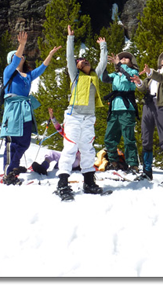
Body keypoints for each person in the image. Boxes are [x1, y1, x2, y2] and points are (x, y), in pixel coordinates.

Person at [0, 30, 61, 185]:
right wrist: (22, 45)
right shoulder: (9, 72)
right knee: (13, 141)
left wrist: (50, 55)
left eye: (22, 55)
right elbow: (14, 62)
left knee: (25, 142)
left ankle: (13, 166)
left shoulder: (27, 75)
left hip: (25, 110)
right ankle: (10, 170)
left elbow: (41, 69)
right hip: (13, 110)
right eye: (17, 56)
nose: (21, 57)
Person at [54, 25, 108, 201]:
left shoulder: (94, 75)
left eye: (86, 60)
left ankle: (89, 183)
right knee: (69, 148)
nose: (84, 61)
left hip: (89, 118)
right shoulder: (75, 76)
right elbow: (69, 57)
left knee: (88, 150)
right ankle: (62, 184)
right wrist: (70, 38)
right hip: (74, 116)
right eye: (81, 61)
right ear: (76, 66)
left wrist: (103, 47)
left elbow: (103, 63)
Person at [132, 51, 163, 186]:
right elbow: (143, 88)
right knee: (146, 138)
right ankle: (147, 172)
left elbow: (162, 79)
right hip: (148, 105)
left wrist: (150, 72)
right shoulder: (154, 74)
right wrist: (138, 82)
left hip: (162, 106)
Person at [101, 51, 140, 173]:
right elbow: (105, 78)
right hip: (114, 108)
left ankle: (133, 164)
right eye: (121, 57)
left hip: (127, 109)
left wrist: (118, 64)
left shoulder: (133, 72)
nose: (123, 58)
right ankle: (114, 162)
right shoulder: (115, 75)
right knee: (109, 137)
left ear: (131, 62)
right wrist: (103, 65)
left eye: (126, 58)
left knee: (128, 137)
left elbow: (129, 77)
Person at [31, 108, 81, 175]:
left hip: (76, 160)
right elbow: (58, 128)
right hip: (67, 156)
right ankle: (43, 168)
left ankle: (59, 168)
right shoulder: (68, 133)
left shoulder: (79, 135)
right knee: (51, 153)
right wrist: (52, 117)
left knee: (59, 164)